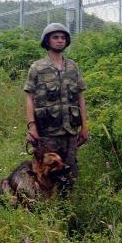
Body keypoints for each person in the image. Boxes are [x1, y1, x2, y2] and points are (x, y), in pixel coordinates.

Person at [23, 23, 88, 192]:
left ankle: (66, 208)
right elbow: (29, 97)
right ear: (47, 41)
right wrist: (32, 126)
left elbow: (80, 97)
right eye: (55, 37)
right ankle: (45, 208)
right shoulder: (37, 68)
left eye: (63, 37)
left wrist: (85, 127)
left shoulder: (72, 67)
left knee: (70, 171)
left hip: (70, 132)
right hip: (47, 133)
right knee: (45, 174)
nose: (60, 41)